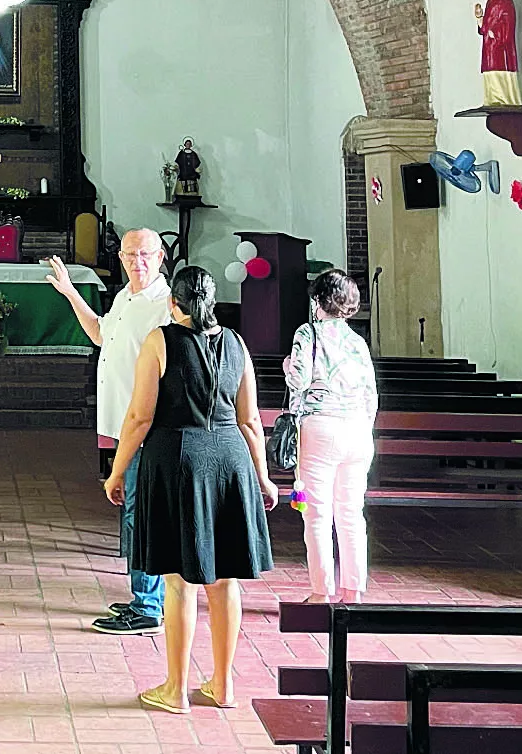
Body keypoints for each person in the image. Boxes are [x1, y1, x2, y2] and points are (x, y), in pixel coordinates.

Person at [106, 267, 276, 713]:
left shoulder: (161, 341)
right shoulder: (237, 344)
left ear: (173, 302)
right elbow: (250, 420)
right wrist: (262, 476)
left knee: (180, 582)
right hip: (229, 461)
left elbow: (140, 418)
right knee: (224, 580)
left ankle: (175, 690)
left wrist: (117, 471)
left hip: (179, 461)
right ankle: (223, 686)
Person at [44, 229, 170, 634]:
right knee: (134, 511)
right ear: (120, 257)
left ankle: (149, 604)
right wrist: (69, 293)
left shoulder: (164, 305)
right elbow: (100, 333)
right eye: (131, 254)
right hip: (123, 423)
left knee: (142, 513)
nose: (138, 261)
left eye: (146, 254)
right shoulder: (125, 297)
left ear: (161, 256)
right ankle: (142, 595)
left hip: (146, 425)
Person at [282, 269, 380, 604]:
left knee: (318, 514)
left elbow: (299, 380)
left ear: (317, 300)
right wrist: (364, 427)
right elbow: (371, 394)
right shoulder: (357, 341)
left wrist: (286, 366)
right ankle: (353, 592)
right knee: (352, 513)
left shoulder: (308, 333)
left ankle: (321, 591)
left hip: (321, 427)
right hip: (358, 431)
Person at [475, 0, 522, 107]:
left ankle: (504, 100)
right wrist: (479, 18)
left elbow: (508, 19)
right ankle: (492, 99)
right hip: (489, 43)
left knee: (499, 66)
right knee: (490, 68)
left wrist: (495, 32)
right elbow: (489, 21)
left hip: (500, 42)